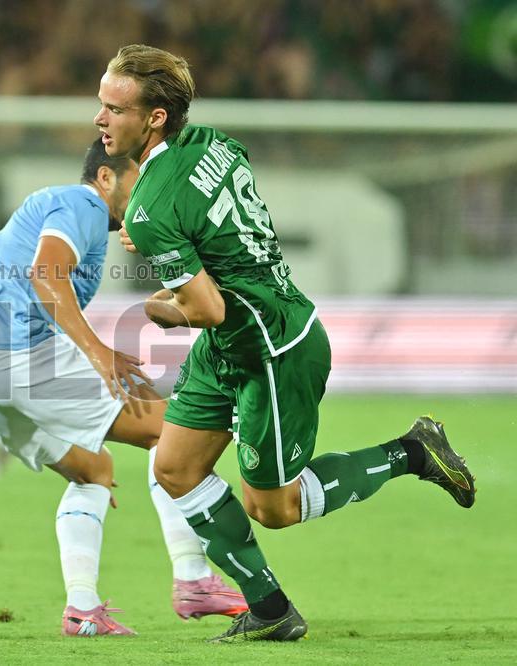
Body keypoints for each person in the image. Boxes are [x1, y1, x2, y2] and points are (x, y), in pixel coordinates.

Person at [97, 44, 477, 642]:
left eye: (114, 108)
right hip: (233, 343)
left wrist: (157, 308)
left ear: (155, 117)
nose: (100, 119)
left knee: (274, 509)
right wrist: (165, 240)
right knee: (173, 467)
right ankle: (271, 609)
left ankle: (411, 451)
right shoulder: (215, 142)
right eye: (101, 105)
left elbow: (204, 307)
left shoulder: (148, 208)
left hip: (273, 348)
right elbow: (215, 227)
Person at [0, 138, 247, 637]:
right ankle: (193, 577)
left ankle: (82, 609)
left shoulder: (59, 210)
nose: (146, 193)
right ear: (106, 177)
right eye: (139, 182)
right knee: (175, 432)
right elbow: (46, 274)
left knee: (94, 471)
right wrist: (98, 351)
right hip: (21, 355)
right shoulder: (82, 202)